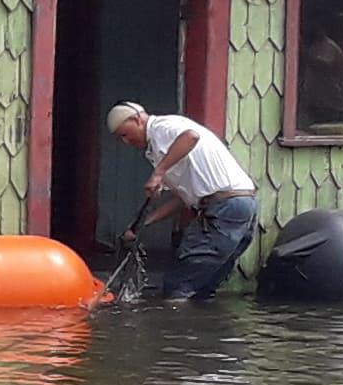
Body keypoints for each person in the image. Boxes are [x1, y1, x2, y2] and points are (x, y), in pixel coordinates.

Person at [108, 100, 258, 301]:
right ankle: (205, 329)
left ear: (137, 119)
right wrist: (143, 225)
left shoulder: (163, 127)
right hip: (241, 205)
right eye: (120, 139)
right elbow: (182, 199)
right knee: (203, 287)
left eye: (125, 135)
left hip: (224, 207)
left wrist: (158, 173)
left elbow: (191, 136)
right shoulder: (156, 149)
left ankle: (176, 328)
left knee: (178, 285)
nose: (126, 142)